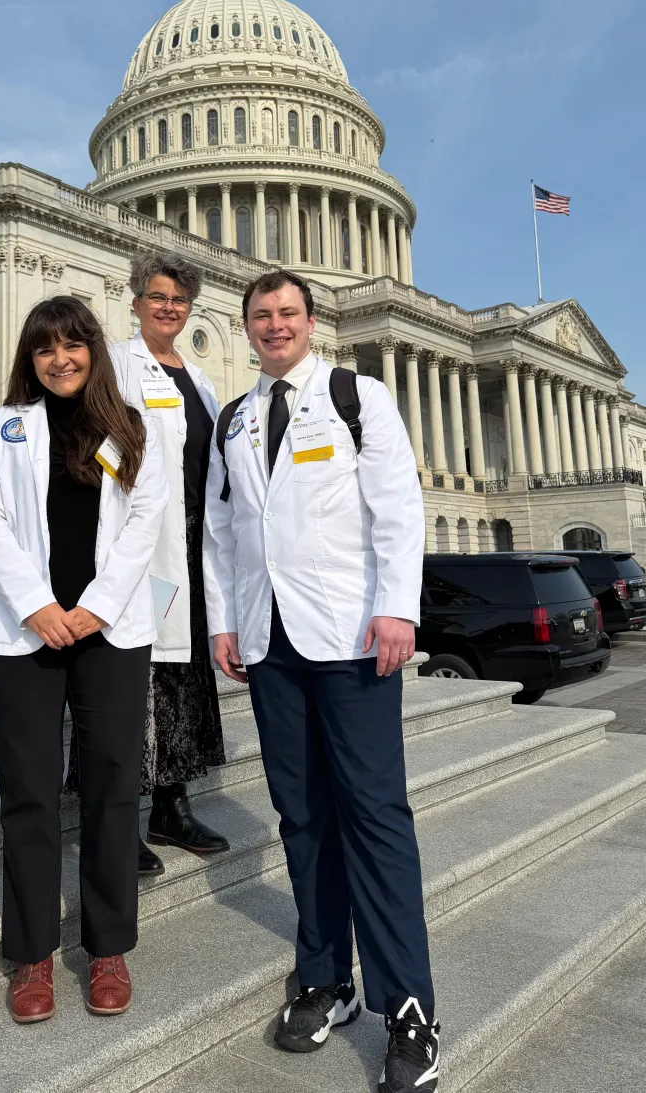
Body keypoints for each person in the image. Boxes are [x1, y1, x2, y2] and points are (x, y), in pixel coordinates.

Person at [203, 271, 439, 1093]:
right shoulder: (235, 419)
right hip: (270, 642)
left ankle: (409, 1010)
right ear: (247, 327)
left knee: (374, 816)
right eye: (261, 315)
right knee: (301, 816)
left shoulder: (356, 396)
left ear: (311, 321)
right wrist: (223, 622)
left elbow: (397, 509)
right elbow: (221, 530)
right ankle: (326, 977)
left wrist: (398, 609)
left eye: (288, 313)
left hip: (350, 634)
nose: (275, 326)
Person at [0, 296, 168, 1026]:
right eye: (46, 347)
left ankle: (107, 946)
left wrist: (96, 606)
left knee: (114, 785)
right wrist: (37, 605)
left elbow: (145, 523)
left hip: (108, 628)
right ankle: (32, 954)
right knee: (28, 790)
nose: (60, 358)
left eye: (73, 344)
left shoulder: (128, 429)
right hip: (25, 632)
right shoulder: (5, 425)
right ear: (31, 356)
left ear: (93, 350)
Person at [111, 251, 228, 876]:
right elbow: (102, 450)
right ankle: (119, 815)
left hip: (191, 544)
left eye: (179, 300)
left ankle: (171, 802)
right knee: (136, 677)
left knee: (183, 678)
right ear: (135, 302)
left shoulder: (200, 378)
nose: (168, 308)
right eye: (157, 297)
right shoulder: (118, 365)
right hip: (144, 551)